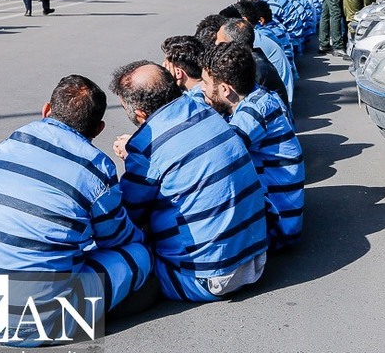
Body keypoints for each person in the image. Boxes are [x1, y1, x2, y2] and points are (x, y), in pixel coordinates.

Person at [0, 75, 156, 345]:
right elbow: (118, 238)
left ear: (46, 110)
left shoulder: (11, 143)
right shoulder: (95, 166)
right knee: (138, 254)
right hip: (32, 324)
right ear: (99, 128)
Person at [110, 61, 268, 302]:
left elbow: (131, 212)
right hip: (255, 258)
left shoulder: (145, 147)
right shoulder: (204, 110)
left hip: (207, 277)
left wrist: (135, 157)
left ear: (140, 113)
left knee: (126, 259)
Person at [202, 42, 304, 249]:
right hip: (282, 208)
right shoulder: (258, 95)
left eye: (204, 83)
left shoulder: (254, 113)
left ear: (225, 89)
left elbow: (218, 155)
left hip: (277, 225)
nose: (201, 89)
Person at [218, 6, 293, 107]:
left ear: (234, 45)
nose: (216, 44)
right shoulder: (254, 56)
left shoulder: (252, 68)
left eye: (220, 42)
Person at [160, 35, 207, 101]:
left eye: (166, 67)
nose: (164, 70)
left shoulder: (191, 102)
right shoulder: (211, 90)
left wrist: (169, 87)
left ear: (178, 73)